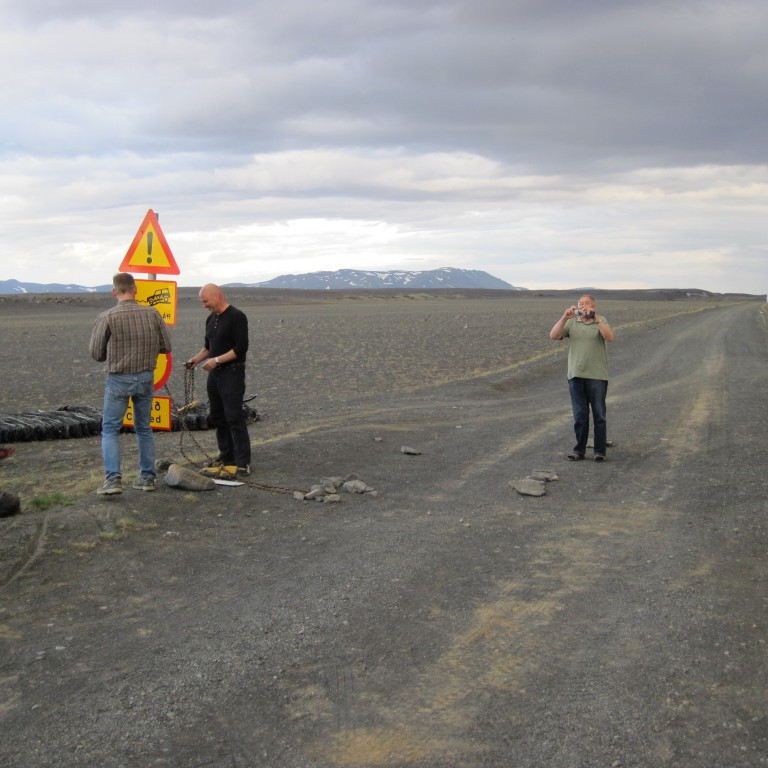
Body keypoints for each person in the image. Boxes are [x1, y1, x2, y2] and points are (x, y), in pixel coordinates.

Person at [90, 272, 172, 494]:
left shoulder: (107, 317)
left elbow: (96, 353)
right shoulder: (153, 314)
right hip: (145, 377)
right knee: (143, 427)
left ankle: (113, 479)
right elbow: (166, 346)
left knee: (110, 428)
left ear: (114, 291)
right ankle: (147, 478)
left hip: (118, 377)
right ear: (135, 289)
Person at [186, 284, 251, 476]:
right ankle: (226, 456)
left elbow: (241, 349)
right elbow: (208, 347)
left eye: (205, 301)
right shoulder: (211, 319)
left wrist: (216, 361)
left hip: (232, 373)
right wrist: (195, 360)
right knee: (218, 416)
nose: (204, 305)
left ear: (217, 296)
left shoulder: (237, 317)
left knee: (234, 416)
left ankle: (242, 462)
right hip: (214, 376)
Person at [549, 294, 614, 461]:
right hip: (575, 375)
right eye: (580, 304)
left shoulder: (600, 320)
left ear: (594, 306)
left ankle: (599, 451)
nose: (583, 306)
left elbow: (609, 337)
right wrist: (564, 317)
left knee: (599, 414)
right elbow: (554, 336)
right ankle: (579, 450)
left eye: (587, 304)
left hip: (597, 375)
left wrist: (596, 318)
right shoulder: (572, 322)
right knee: (580, 415)